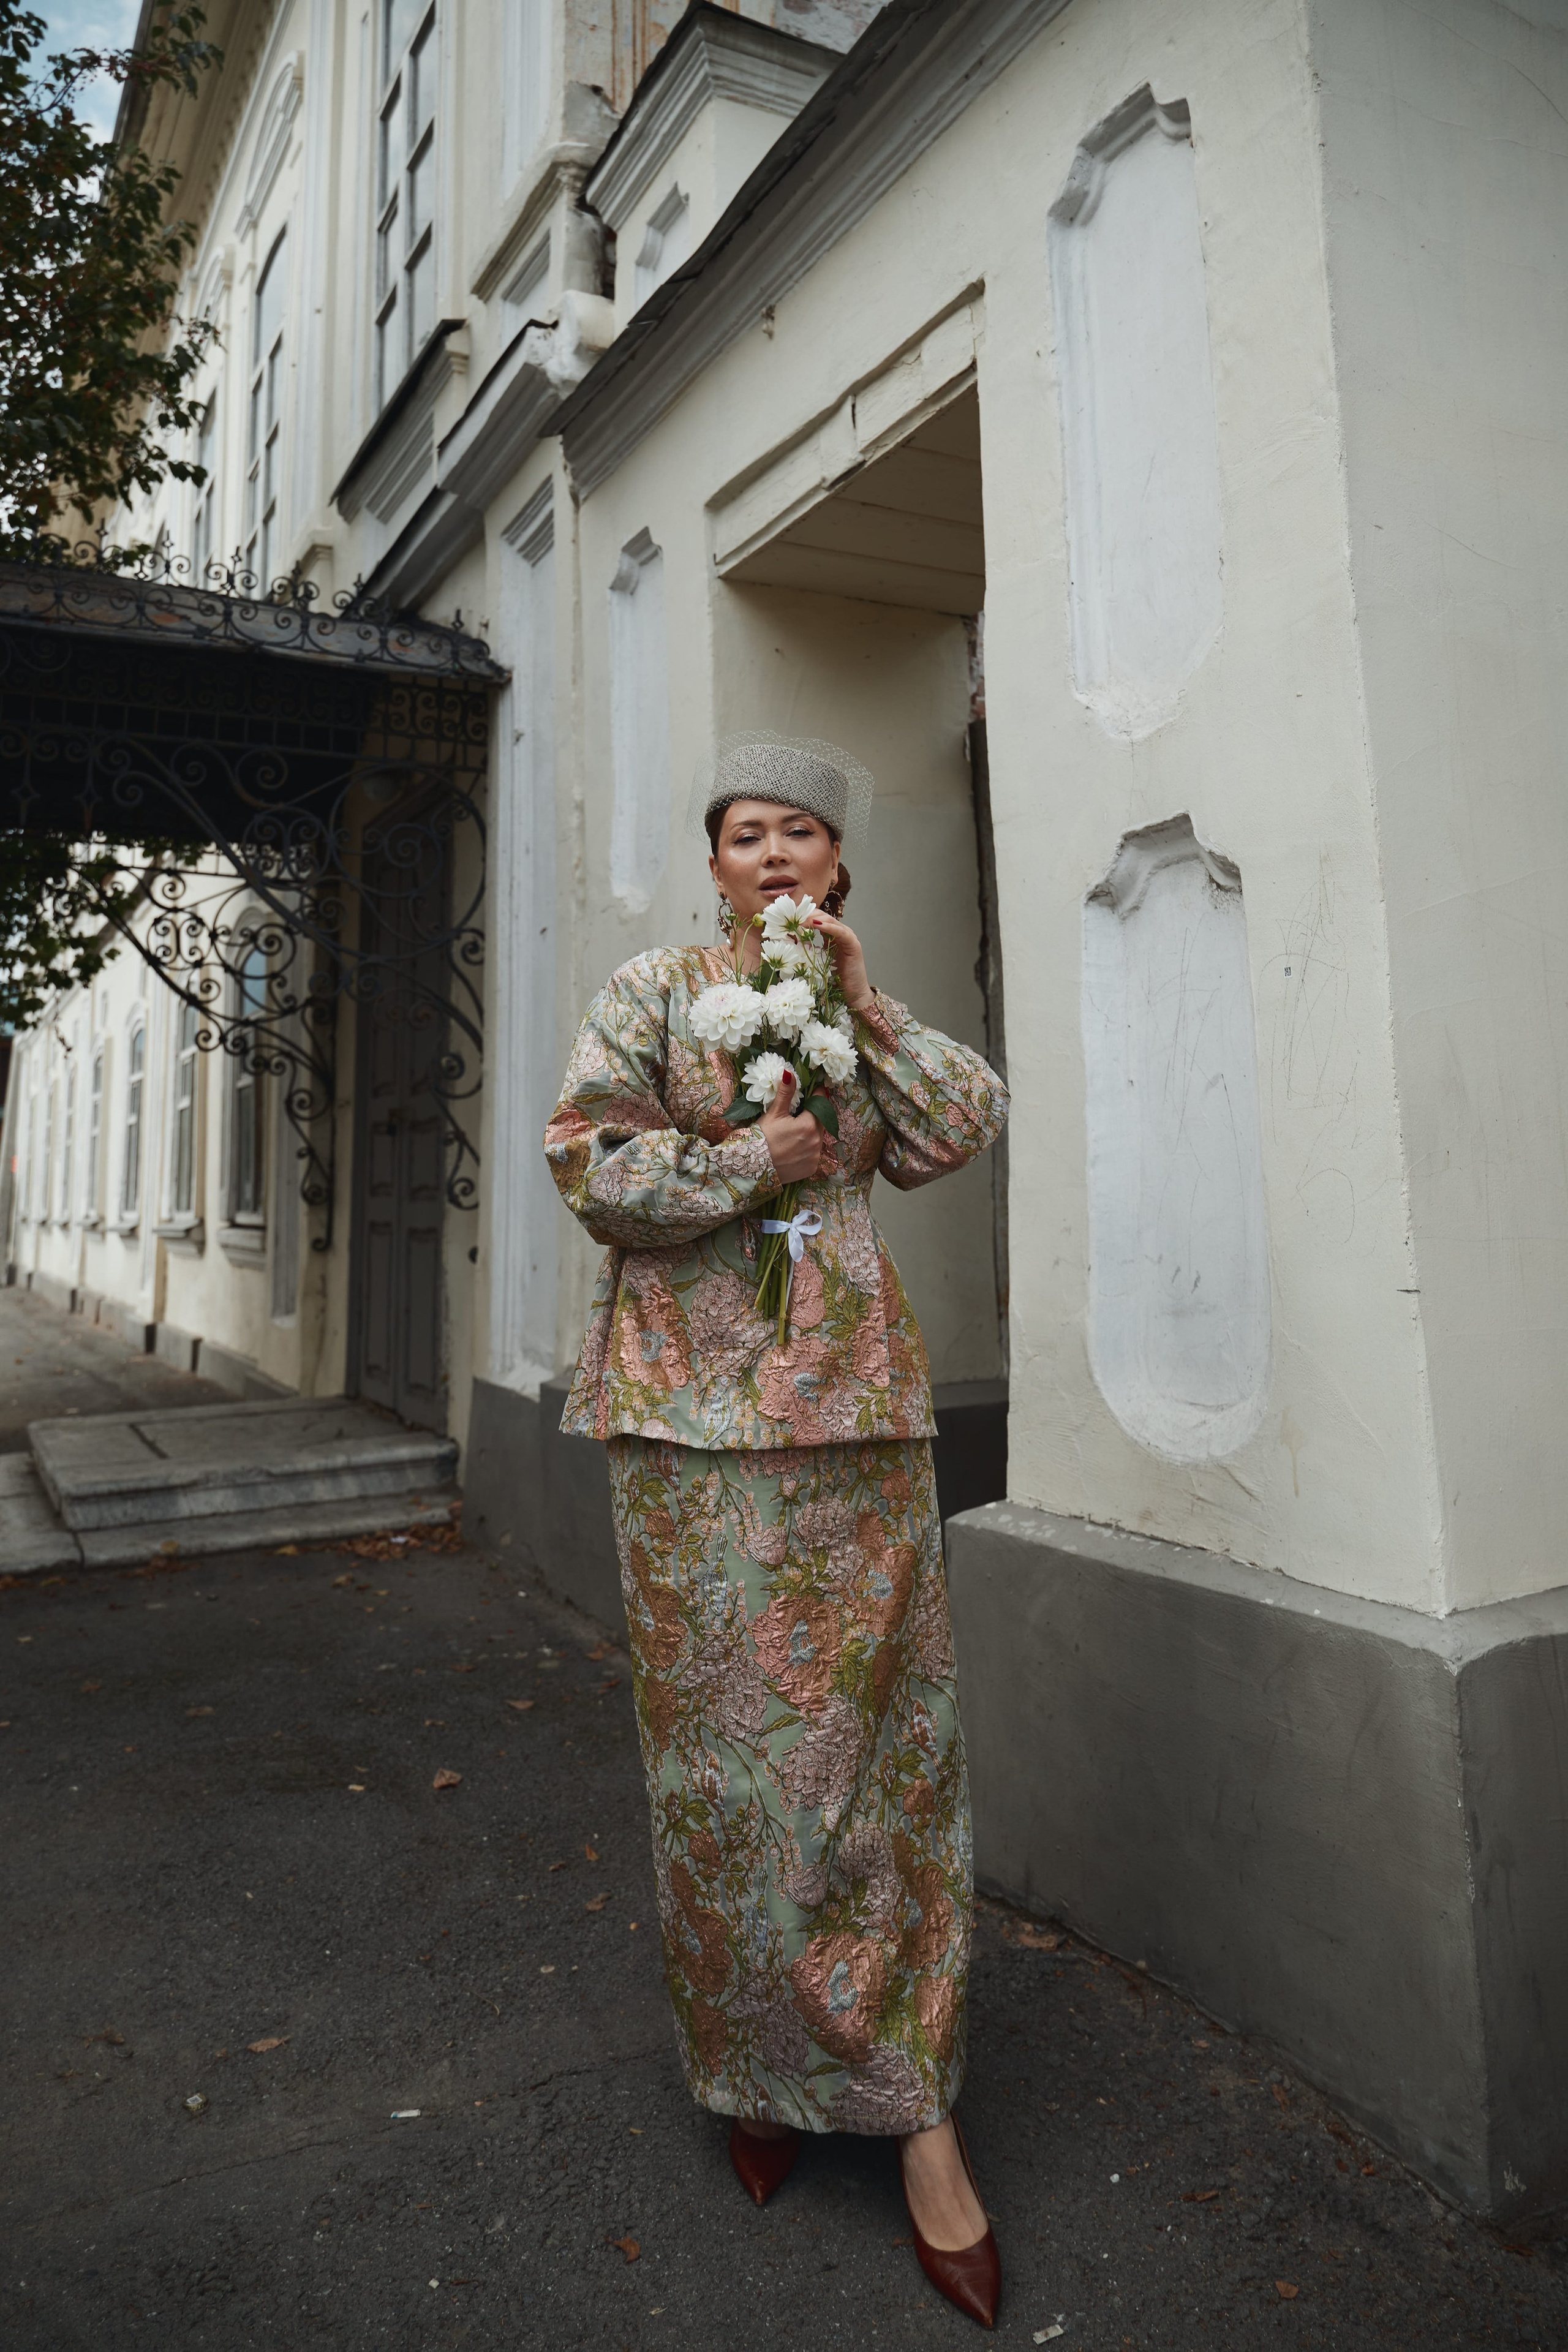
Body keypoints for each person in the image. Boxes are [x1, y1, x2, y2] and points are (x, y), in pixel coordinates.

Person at [543, 734, 1009, 2326]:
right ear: (718, 860)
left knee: (874, 1755)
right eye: (746, 832)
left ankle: (912, 2109)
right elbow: (589, 1165)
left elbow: (958, 1131)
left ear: (837, 863)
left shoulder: (857, 1011)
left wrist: (866, 1003)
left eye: (800, 830)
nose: (772, 851)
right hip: (689, 1427)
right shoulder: (654, 991)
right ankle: (758, 2067)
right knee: (727, 1770)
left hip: (855, 1419)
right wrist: (752, 1163)